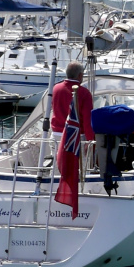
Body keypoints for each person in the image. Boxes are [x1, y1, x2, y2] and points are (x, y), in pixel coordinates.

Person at [50, 62, 94, 218]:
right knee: (78, 167)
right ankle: (77, 191)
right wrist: (91, 140)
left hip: (55, 134)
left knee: (58, 166)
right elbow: (88, 120)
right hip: (75, 137)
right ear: (80, 76)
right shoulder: (84, 94)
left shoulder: (55, 88)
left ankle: (56, 190)